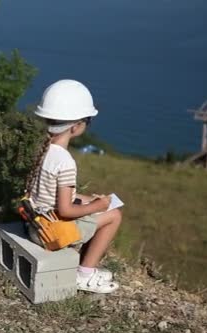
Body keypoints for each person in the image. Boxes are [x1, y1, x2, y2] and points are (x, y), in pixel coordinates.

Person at [24, 79, 123, 294]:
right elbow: (66, 210)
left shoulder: (41, 150)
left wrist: (91, 201)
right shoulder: (65, 162)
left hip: (35, 224)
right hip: (50, 234)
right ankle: (85, 274)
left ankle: (85, 266)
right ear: (77, 126)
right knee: (114, 215)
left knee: (93, 203)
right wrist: (99, 206)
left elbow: (51, 195)